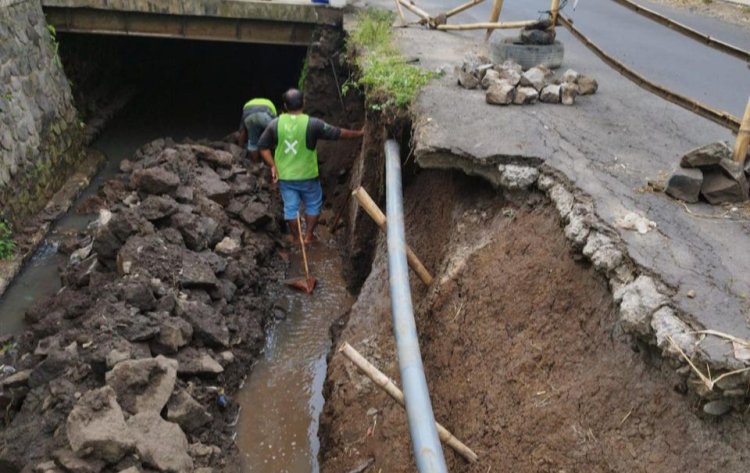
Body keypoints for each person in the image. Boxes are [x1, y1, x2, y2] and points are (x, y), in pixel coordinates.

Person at [258, 88, 363, 243]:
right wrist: (359, 134)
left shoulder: (275, 124)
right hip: (308, 175)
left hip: (286, 177)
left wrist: (273, 165)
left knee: (291, 208)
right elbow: (338, 133)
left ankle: (296, 237)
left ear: (285, 106)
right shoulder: (313, 124)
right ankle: (308, 237)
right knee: (313, 205)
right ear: (304, 103)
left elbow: (262, 146)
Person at [237, 97, 277, 162]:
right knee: (275, 136)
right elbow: (276, 126)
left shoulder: (247, 105)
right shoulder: (271, 105)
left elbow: (242, 131)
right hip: (264, 114)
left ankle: (256, 164)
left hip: (249, 116)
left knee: (253, 142)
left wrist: (239, 149)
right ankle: (273, 161)